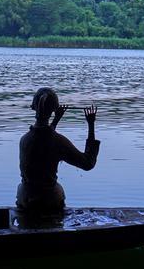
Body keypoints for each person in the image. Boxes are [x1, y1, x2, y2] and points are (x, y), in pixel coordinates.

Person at [16, 88, 100, 216]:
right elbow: (88, 164)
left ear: (34, 107)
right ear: (54, 109)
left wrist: (56, 119)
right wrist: (91, 124)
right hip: (47, 200)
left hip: (25, 198)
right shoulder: (58, 142)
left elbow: (43, 137)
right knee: (57, 188)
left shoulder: (25, 139)